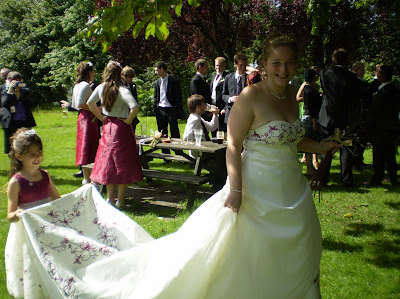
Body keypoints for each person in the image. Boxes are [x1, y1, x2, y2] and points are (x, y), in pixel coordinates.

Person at [8, 33, 339, 298]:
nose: (283, 69)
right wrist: (236, 189)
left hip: (292, 190)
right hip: (255, 190)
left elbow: (289, 141)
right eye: (276, 62)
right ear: (265, 64)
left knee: (298, 249)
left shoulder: (292, 95)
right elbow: (234, 145)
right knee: (246, 253)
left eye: (289, 63)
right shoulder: (251, 97)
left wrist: (322, 146)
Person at [5, 128, 60, 298]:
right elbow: (10, 215)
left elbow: (58, 200)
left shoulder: (45, 176)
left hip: (47, 226)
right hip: (27, 231)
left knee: (51, 259)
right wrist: (19, 213)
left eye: (39, 153)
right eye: (31, 154)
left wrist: (81, 194)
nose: (37, 157)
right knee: (33, 262)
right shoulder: (16, 182)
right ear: (18, 156)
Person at [87, 61, 143, 209]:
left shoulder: (100, 87)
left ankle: (110, 199)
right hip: (121, 128)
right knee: (122, 164)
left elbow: (90, 103)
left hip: (107, 127)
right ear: (120, 74)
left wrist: (101, 118)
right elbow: (135, 106)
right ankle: (120, 200)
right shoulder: (122, 89)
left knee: (108, 163)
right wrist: (128, 121)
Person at [318, 48, 360, 187]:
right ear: (346, 60)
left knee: (325, 147)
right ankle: (346, 179)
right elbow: (354, 97)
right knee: (346, 148)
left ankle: (323, 177)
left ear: (333, 58)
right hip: (345, 115)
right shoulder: (352, 77)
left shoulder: (324, 74)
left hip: (327, 115)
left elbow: (325, 90)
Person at [367, 65, 400, 186]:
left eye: (379, 73)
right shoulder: (395, 90)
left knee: (379, 154)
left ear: (383, 75)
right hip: (392, 126)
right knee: (390, 153)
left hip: (381, 127)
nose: (377, 75)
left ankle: (377, 178)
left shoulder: (383, 93)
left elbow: (376, 111)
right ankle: (392, 177)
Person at [71, 62, 99, 185]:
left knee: (85, 145)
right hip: (87, 119)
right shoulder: (84, 86)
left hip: (83, 118)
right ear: (89, 72)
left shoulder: (78, 85)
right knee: (88, 145)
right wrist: (97, 110)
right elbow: (80, 104)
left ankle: (88, 177)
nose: (94, 74)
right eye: (93, 71)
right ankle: (88, 178)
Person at [1, 71, 36, 154]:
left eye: (18, 81)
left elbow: (31, 104)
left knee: (26, 143)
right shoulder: (3, 89)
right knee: (11, 145)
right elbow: (4, 103)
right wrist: (9, 91)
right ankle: (14, 163)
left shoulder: (25, 90)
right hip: (10, 121)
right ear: (9, 80)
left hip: (24, 120)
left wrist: (19, 94)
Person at [153, 61, 185, 154]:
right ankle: (166, 154)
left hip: (171, 109)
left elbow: (178, 96)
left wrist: (176, 109)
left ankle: (179, 153)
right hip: (160, 109)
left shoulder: (174, 81)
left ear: (162, 69)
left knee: (174, 131)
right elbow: (156, 96)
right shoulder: (157, 82)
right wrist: (156, 108)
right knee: (162, 132)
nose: (156, 72)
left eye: (157, 70)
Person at [300, 68, 322, 176]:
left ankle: (311, 167)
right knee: (309, 142)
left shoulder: (310, 89)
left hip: (310, 117)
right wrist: (314, 122)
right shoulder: (308, 90)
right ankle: (309, 167)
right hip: (310, 118)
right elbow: (311, 107)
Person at [222, 53, 248, 126]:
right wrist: (230, 99)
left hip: (245, 113)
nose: (243, 67)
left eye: (245, 65)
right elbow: (223, 95)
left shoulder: (249, 78)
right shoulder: (228, 78)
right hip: (231, 112)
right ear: (235, 64)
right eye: (241, 65)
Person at [190, 58, 212, 139]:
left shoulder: (202, 79)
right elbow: (198, 98)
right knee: (203, 133)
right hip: (201, 111)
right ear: (200, 67)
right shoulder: (196, 81)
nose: (208, 68)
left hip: (205, 110)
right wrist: (207, 110)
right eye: (206, 66)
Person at [210, 57, 229, 134]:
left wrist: (225, 107)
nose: (218, 68)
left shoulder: (227, 77)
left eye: (220, 65)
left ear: (224, 65)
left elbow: (228, 93)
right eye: (217, 65)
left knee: (222, 129)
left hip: (222, 106)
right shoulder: (213, 77)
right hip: (213, 106)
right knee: (213, 127)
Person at [121, 65, 140, 133]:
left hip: (132, 114)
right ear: (123, 76)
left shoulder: (132, 85)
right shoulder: (118, 85)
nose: (131, 80)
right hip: (123, 114)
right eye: (129, 78)